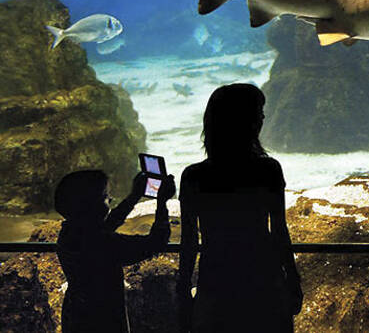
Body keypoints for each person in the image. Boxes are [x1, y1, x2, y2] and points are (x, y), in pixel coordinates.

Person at [178, 83, 302, 333]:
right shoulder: (268, 169)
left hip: (216, 277)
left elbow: (189, 241)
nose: (263, 117)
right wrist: (293, 280)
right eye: (258, 111)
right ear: (246, 120)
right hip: (263, 276)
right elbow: (279, 231)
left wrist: (182, 290)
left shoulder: (193, 176)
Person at [55, 169, 176, 332]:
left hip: (76, 314)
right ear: (91, 205)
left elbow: (106, 225)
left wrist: (134, 196)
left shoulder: (69, 233)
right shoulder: (102, 243)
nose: (110, 199)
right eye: (105, 196)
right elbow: (155, 242)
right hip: (104, 319)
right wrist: (162, 203)